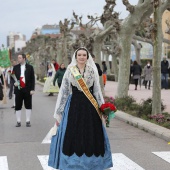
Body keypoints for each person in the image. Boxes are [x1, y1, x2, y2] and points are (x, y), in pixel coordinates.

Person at [48, 47, 113, 170]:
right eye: (80, 55)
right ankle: (72, 163)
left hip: (90, 107)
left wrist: (103, 108)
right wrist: (59, 112)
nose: (82, 57)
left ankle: (93, 163)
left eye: (84, 55)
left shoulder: (92, 71)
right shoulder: (70, 70)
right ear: (76, 57)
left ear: (87, 57)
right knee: (73, 132)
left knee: (91, 133)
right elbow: (65, 92)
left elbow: (97, 91)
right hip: (74, 105)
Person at [13, 54, 35, 127]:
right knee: (18, 105)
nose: (18, 59)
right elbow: (12, 78)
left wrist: (32, 89)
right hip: (18, 89)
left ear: (24, 58)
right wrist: (15, 83)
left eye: (20, 58)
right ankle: (18, 121)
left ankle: (28, 121)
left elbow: (32, 79)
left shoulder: (30, 67)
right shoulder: (15, 67)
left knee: (28, 105)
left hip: (27, 89)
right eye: (18, 58)